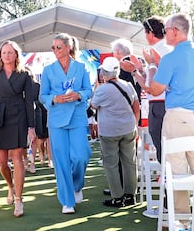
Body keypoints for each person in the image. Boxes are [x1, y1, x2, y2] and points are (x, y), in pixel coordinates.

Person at [143, 13, 194, 230]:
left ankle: (181, 222)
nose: (164, 34)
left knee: (176, 172)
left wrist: (151, 65)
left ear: (174, 31)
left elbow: (155, 89)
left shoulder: (172, 58)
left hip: (178, 116)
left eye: (167, 30)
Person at [39, 33, 92, 214]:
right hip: (56, 119)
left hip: (77, 116)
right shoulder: (48, 70)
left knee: (81, 156)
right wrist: (54, 98)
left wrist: (79, 95)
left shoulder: (81, 67)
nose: (55, 50)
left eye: (58, 47)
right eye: (53, 47)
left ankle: (77, 185)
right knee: (61, 161)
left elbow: (89, 90)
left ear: (68, 48)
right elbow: (42, 96)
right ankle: (67, 201)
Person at [0, 40, 35, 217]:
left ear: (16, 55)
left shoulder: (24, 75)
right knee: (1, 162)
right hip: (0, 117)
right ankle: (11, 186)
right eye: (4, 52)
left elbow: (30, 102)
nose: (7, 55)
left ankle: (19, 200)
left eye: (10, 52)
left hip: (19, 115)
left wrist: (31, 126)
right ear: (0, 55)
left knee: (17, 159)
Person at [120, 16, 173, 163]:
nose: (145, 36)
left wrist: (143, 68)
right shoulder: (166, 49)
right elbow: (149, 83)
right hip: (161, 103)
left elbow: (151, 87)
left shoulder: (159, 51)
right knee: (164, 146)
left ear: (150, 32)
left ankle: (169, 177)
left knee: (164, 147)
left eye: (145, 32)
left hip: (161, 104)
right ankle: (168, 176)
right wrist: (137, 71)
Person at [91, 57, 140, 207]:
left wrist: (97, 87)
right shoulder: (128, 85)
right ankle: (131, 195)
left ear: (104, 73)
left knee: (111, 164)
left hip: (109, 131)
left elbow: (93, 105)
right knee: (130, 162)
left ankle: (117, 197)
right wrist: (135, 124)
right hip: (128, 128)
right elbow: (136, 105)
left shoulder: (103, 89)